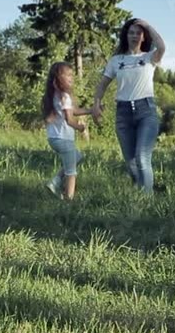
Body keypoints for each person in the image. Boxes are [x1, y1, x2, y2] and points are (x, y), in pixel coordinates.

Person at [93, 18, 166, 194]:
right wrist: (96, 104)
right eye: (131, 32)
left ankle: (146, 201)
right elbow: (102, 85)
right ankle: (142, 190)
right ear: (126, 35)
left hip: (146, 111)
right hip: (123, 113)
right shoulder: (116, 60)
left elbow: (162, 46)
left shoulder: (149, 57)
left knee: (142, 157)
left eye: (138, 33)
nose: (134, 36)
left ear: (143, 37)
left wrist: (147, 25)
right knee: (131, 162)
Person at [42, 61, 92, 200]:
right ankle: (69, 200)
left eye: (72, 75)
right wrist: (80, 127)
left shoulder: (53, 95)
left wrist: (90, 110)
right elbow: (69, 119)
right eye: (68, 75)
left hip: (53, 138)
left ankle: (55, 182)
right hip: (64, 138)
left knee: (78, 157)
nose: (72, 77)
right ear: (59, 78)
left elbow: (73, 110)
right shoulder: (65, 96)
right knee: (71, 173)